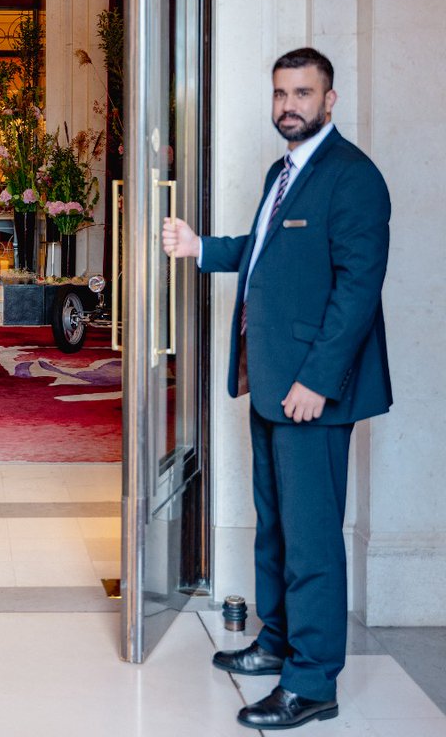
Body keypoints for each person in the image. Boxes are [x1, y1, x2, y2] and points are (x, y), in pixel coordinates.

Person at [162, 48, 391, 731]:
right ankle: (278, 643)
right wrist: (200, 248)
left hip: (311, 392)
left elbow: (357, 291)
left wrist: (316, 382)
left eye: (303, 92)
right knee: (278, 526)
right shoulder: (283, 171)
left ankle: (313, 681)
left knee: (314, 537)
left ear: (331, 99)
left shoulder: (352, 178)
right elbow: (265, 251)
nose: (289, 104)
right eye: (280, 93)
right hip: (267, 384)